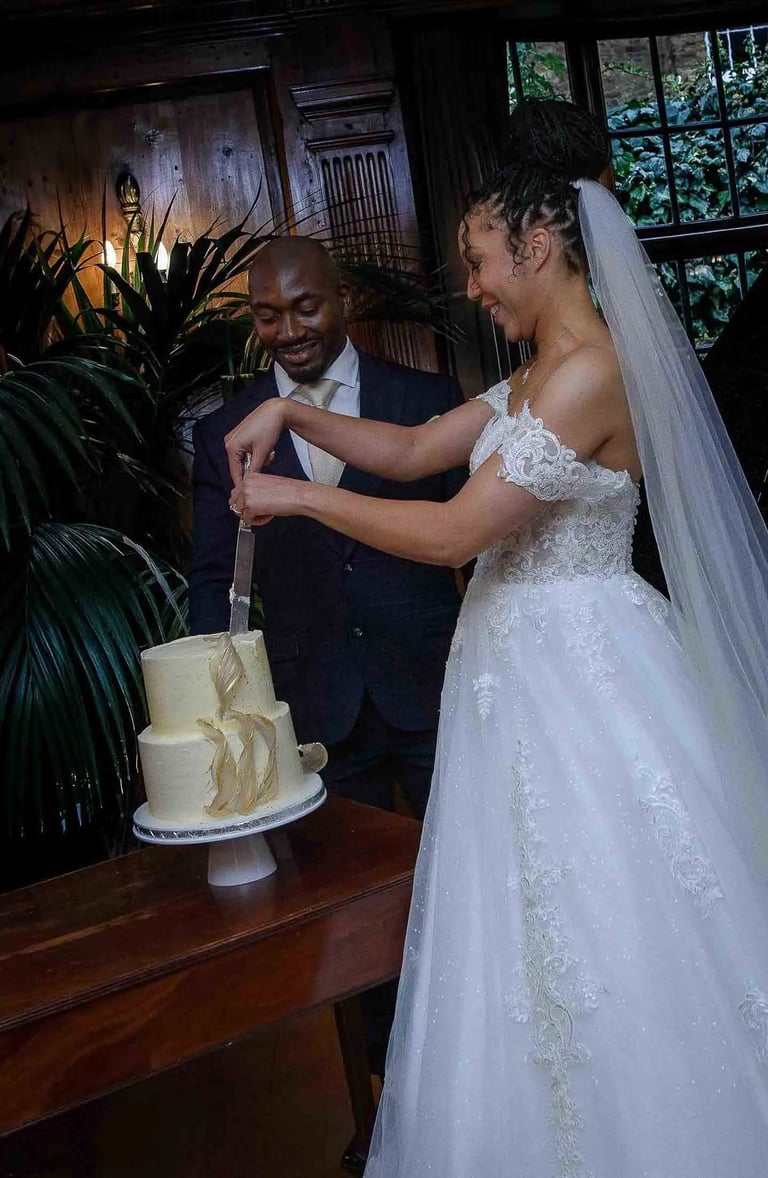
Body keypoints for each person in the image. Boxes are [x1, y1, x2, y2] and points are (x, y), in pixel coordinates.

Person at [224, 100, 768, 1176]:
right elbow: (414, 447)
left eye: (479, 261)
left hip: (588, 681)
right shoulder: (531, 377)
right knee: (515, 925)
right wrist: (291, 416)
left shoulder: (589, 373)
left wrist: (297, 498)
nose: (472, 287)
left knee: (612, 912)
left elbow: (452, 533)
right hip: (512, 679)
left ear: (539, 243)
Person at [188, 237, 466, 1096]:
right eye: (268, 315)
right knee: (350, 908)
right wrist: (221, 708)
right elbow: (213, 579)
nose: (290, 330)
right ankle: (385, 1089)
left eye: (305, 307)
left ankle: (474, 1050)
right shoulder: (221, 431)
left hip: (434, 681)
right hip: (317, 701)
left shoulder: (426, 401)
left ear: (342, 298)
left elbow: (475, 539)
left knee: (464, 873)